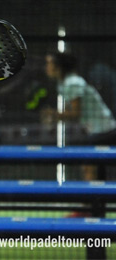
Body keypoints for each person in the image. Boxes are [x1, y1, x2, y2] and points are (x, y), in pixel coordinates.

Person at [41, 52, 116, 217]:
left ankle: (87, 208)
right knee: (95, 172)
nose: (46, 67)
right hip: (98, 130)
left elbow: (75, 113)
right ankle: (95, 211)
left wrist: (54, 115)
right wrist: (55, 117)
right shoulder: (65, 84)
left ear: (58, 67)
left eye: (49, 63)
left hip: (104, 130)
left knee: (89, 168)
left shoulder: (73, 83)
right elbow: (75, 113)